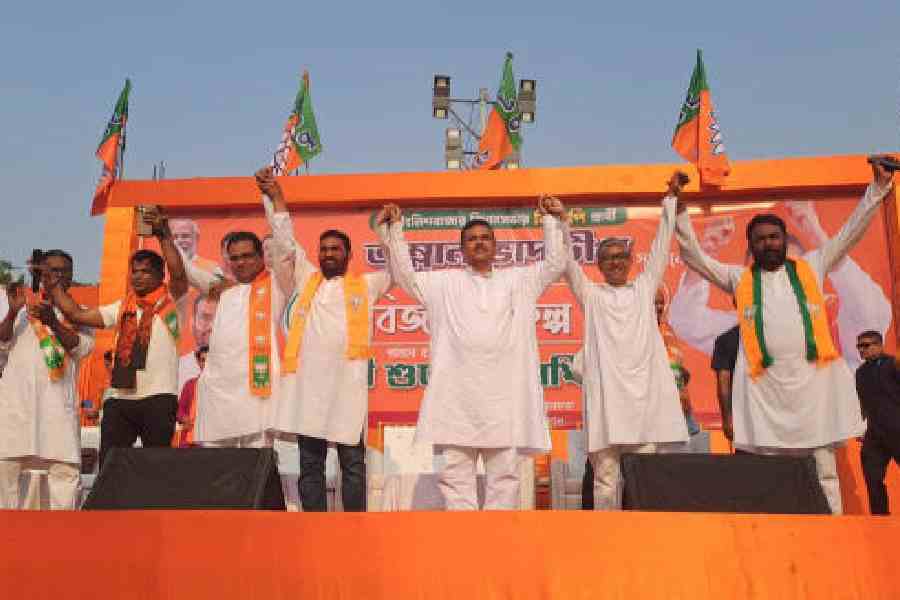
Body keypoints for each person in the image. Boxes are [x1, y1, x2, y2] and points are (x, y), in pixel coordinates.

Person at [674, 156, 895, 514]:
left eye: (774, 237)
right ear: (752, 246)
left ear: (783, 240)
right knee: (770, 470)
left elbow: (850, 232)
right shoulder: (738, 280)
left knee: (825, 468)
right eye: (760, 239)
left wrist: (878, 188)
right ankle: (780, 535)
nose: (768, 244)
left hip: (813, 387)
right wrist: (680, 214)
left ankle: (833, 529)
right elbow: (695, 259)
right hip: (765, 391)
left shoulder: (811, 266)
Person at [381, 195, 567, 511]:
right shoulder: (443, 283)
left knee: (505, 479)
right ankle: (463, 547)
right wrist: (395, 229)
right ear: (461, 248)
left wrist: (551, 220)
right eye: (471, 239)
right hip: (457, 399)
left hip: (504, 400)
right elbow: (405, 275)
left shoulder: (520, 280)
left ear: (496, 246)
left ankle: (497, 548)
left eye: (485, 238)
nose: (479, 244)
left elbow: (555, 263)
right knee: (455, 480)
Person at [256, 167, 393, 512]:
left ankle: (354, 524)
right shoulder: (307, 279)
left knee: (353, 463)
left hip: (347, 388)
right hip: (309, 389)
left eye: (336, 249)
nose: (329, 254)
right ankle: (313, 524)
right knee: (310, 463)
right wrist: (277, 198)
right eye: (324, 249)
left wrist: (389, 230)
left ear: (348, 254)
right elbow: (285, 241)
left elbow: (399, 268)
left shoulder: (368, 285)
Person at [566, 172, 689, 510]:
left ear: (631, 261)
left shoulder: (644, 288)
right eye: (608, 258)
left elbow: (663, 244)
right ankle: (608, 538)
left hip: (643, 405)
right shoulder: (591, 295)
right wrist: (560, 223)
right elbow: (566, 262)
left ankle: (643, 539)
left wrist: (670, 202)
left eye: (621, 257)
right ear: (599, 265)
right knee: (605, 480)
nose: (616, 263)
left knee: (642, 478)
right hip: (606, 405)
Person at [668, 201, 892, 372]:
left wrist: (812, 227)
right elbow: (687, 321)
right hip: (768, 414)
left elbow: (871, 312)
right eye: (761, 241)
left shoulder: (832, 319)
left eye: (792, 268)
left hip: (818, 415)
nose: (781, 276)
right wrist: (706, 246)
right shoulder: (746, 321)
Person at [49, 208, 188, 467]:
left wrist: (162, 235)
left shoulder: (172, 301)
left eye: (145, 271)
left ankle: (154, 509)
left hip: (159, 396)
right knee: (111, 466)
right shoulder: (121, 306)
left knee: (156, 466)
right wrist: (53, 283)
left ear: (160, 275)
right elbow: (76, 315)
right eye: (134, 271)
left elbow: (179, 274)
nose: (138, 276)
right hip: (119, 398)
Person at [180, 192, 294, 449]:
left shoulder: (277, 285)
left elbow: (286, 247)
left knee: (256, 467)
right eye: (235, 257)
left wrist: (274, 198)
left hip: (257, 391)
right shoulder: (222, 289)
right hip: (219, 392)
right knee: (216, 471)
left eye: (247, 256)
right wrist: (163, 234)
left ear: (261, 257)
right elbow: (185, 270)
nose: (241, 262)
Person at [0, 251, 94, 509]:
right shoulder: (21, 307)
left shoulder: (80, 313)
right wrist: (11, 312)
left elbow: (81, 347)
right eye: (50, 270)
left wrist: (53, 320)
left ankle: (63, 539)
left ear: (71, 277)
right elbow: (2, 342)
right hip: (16, 408)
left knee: (63, 472)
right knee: (6, 471)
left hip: (56, 410)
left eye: (63, 271)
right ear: (39, 274)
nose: (56, 276)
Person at [854, 330, 900, 515]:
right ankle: (880, 518)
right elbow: (864, 402)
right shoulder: (860, 373)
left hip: (897, 428)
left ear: (879, 345)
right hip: (875, 433)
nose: (862, 350)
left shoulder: (893, 365)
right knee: (872, 476)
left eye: (866, 345)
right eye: (859, 346)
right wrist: (862, 427)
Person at [177, 294, 218, 394]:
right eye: (205, 318)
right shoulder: (177, 370)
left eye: (218, 319)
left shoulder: (236, 368)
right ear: (192, 324)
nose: (211, 326)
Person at [172, 345, 208, 448]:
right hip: (190, 441)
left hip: (212, 440)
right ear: (198, 362)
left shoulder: (220, 387)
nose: (205, 364)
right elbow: (179, 410)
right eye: (203, 360)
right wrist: (184, 418)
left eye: (209, 360)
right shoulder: (190, 384)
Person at [711, 323, 740, 442]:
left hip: (744, 418)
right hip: (745, 417)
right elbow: (724, 383)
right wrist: (728, 419)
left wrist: (727, 419)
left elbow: (724, 384)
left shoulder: (727, 339)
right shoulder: (727, 340)